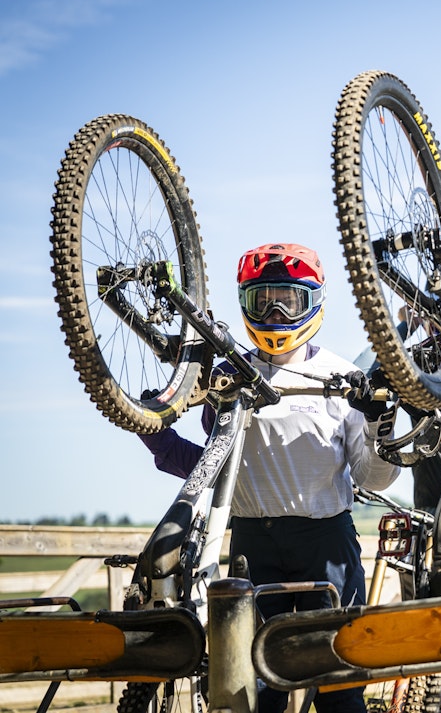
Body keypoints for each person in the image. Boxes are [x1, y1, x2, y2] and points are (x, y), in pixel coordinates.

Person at [138, 243, 399, 713]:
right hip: (253, 545)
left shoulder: (341, 377)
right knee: (253, 689)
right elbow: (211, 466)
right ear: (245, 304)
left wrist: (382, 426)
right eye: (264, 300)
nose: (276, 311)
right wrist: (154, 431)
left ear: (314, 301)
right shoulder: (227, 378)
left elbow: (372, 479)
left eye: (289, 299)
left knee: (339, 686)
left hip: (327, 544)